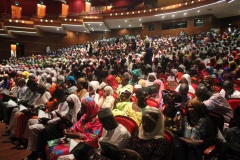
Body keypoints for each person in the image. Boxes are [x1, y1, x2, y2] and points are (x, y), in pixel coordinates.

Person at [35, 97, 102, 160]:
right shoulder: (85, 116)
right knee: (49, 145)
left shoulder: (97, 121)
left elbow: (94, 138)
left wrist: (77, 135)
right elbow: (76, 125)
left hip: (83, 144)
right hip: (73, 138)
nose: (81, 108)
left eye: (83, 107)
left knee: (56, 152)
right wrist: (69, 130)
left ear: (89, 108)